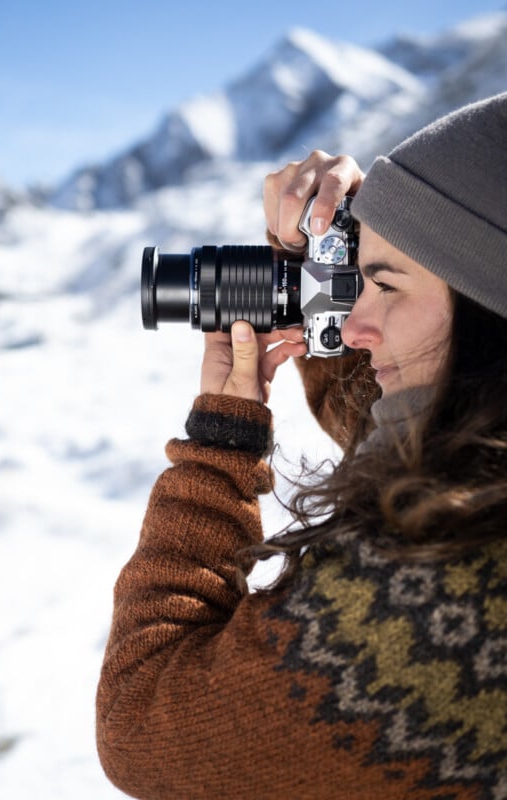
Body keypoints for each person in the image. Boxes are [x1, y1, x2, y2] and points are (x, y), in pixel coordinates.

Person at [96, 94, 507, 799]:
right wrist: (323, 259)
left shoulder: (446, 599)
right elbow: (424, 445)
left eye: (383, 285)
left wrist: (221, 451)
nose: (353, 326)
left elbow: (146, 726)